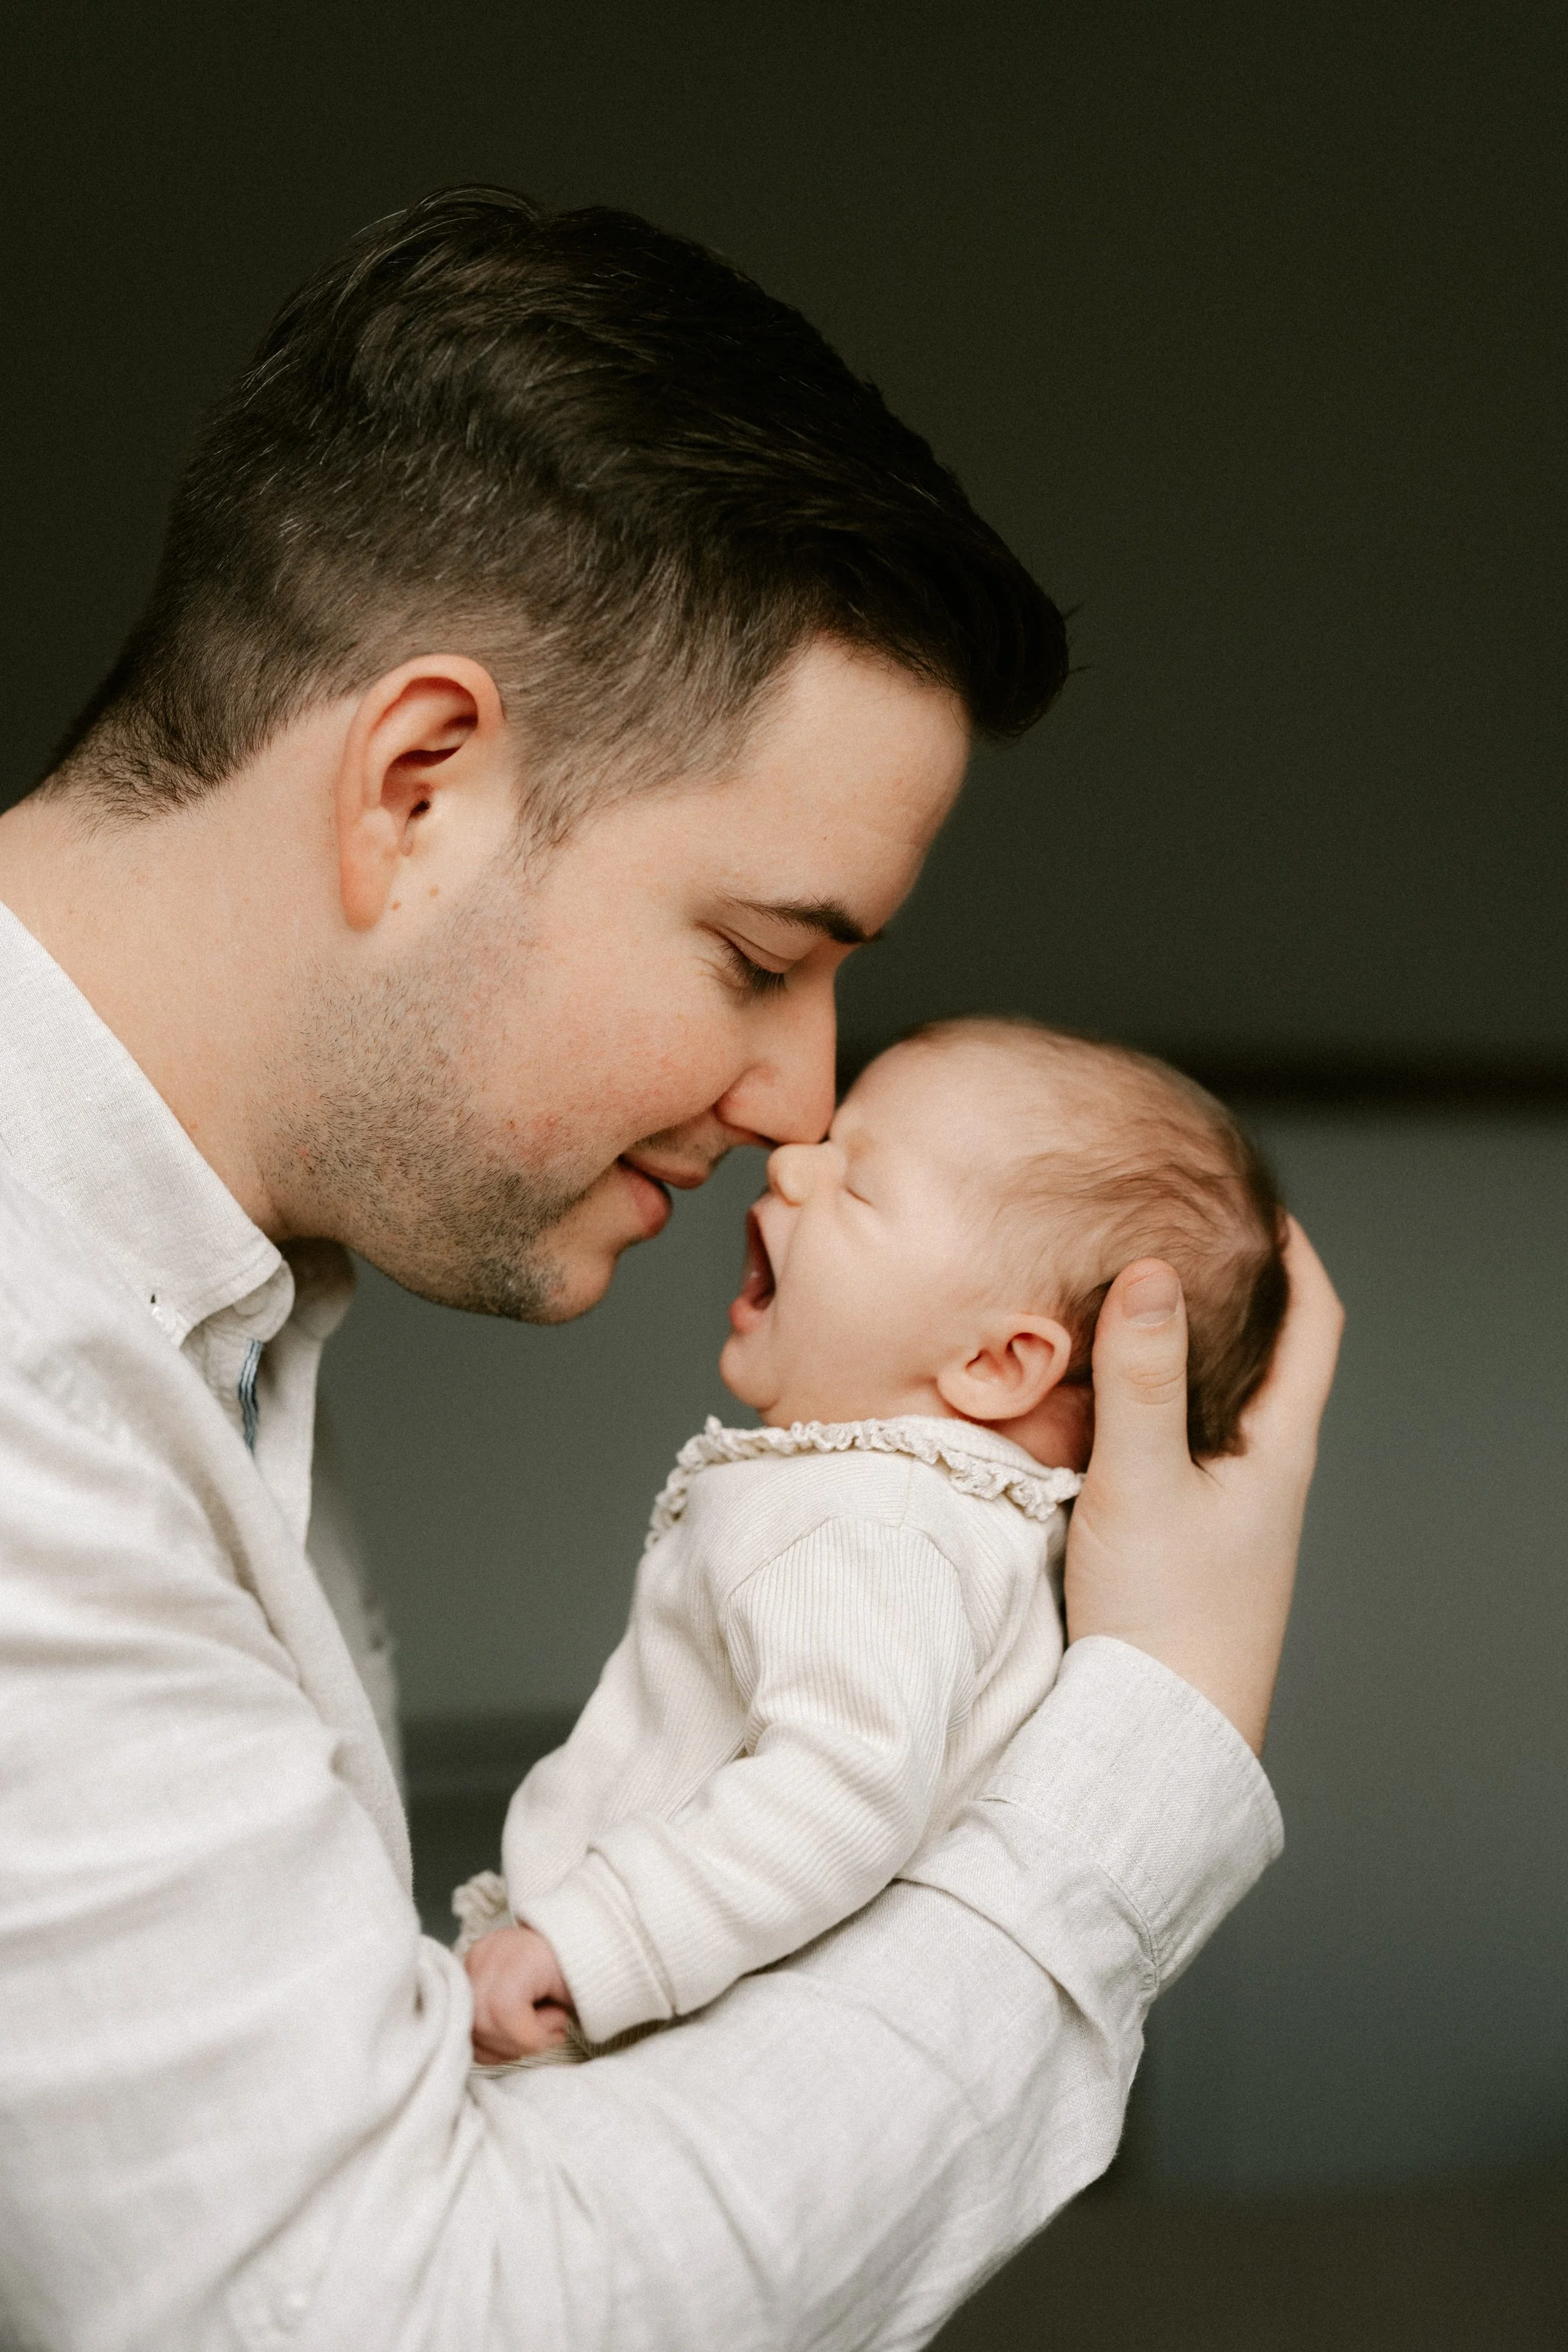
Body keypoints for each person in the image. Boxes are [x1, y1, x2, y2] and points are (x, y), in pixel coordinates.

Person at [0, 188, 1342, 2351]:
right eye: (757, 955)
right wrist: (1152, 1752)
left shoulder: (208, 1313)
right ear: (421, 783)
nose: (804, 1105)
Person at [460, 1017, 1288, 2062]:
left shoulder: (876, 1519)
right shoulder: (946, 1528)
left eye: (857, 1185)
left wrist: (593, 1943)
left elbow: (842, 1789)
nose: (794, 1161)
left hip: (624, 2018)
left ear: (995, 1364)